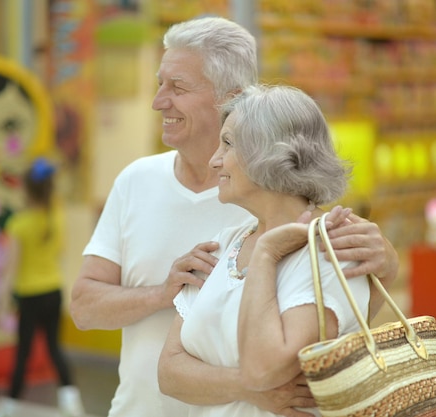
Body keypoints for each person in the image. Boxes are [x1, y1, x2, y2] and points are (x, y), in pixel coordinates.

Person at [70, 16, 399, 417]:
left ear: (234, 97)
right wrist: (164, 292)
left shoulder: (287, 223)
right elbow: (86, 309)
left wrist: (387, 262)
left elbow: (335, 317)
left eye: (178, 87)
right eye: (160, 83)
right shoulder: (147, 187)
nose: (158, 101)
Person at [158, 84, 369, 417]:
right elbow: (169, 373)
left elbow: (266, 369)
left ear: (270, 151)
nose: (214, 161)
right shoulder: (226, 241)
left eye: (227, 143)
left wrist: (267, 253)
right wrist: (246, 389)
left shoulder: (332, 250)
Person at [0, 158, 85, 417]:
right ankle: (72, 403)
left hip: (29, 296)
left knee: (23, 355)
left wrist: (2, 304)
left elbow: (9, 270)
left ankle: (9, 408)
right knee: (54, 348)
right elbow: (59, 253)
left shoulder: (19, 224)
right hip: (53, 291)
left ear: (26, 190)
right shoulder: (56, 218)